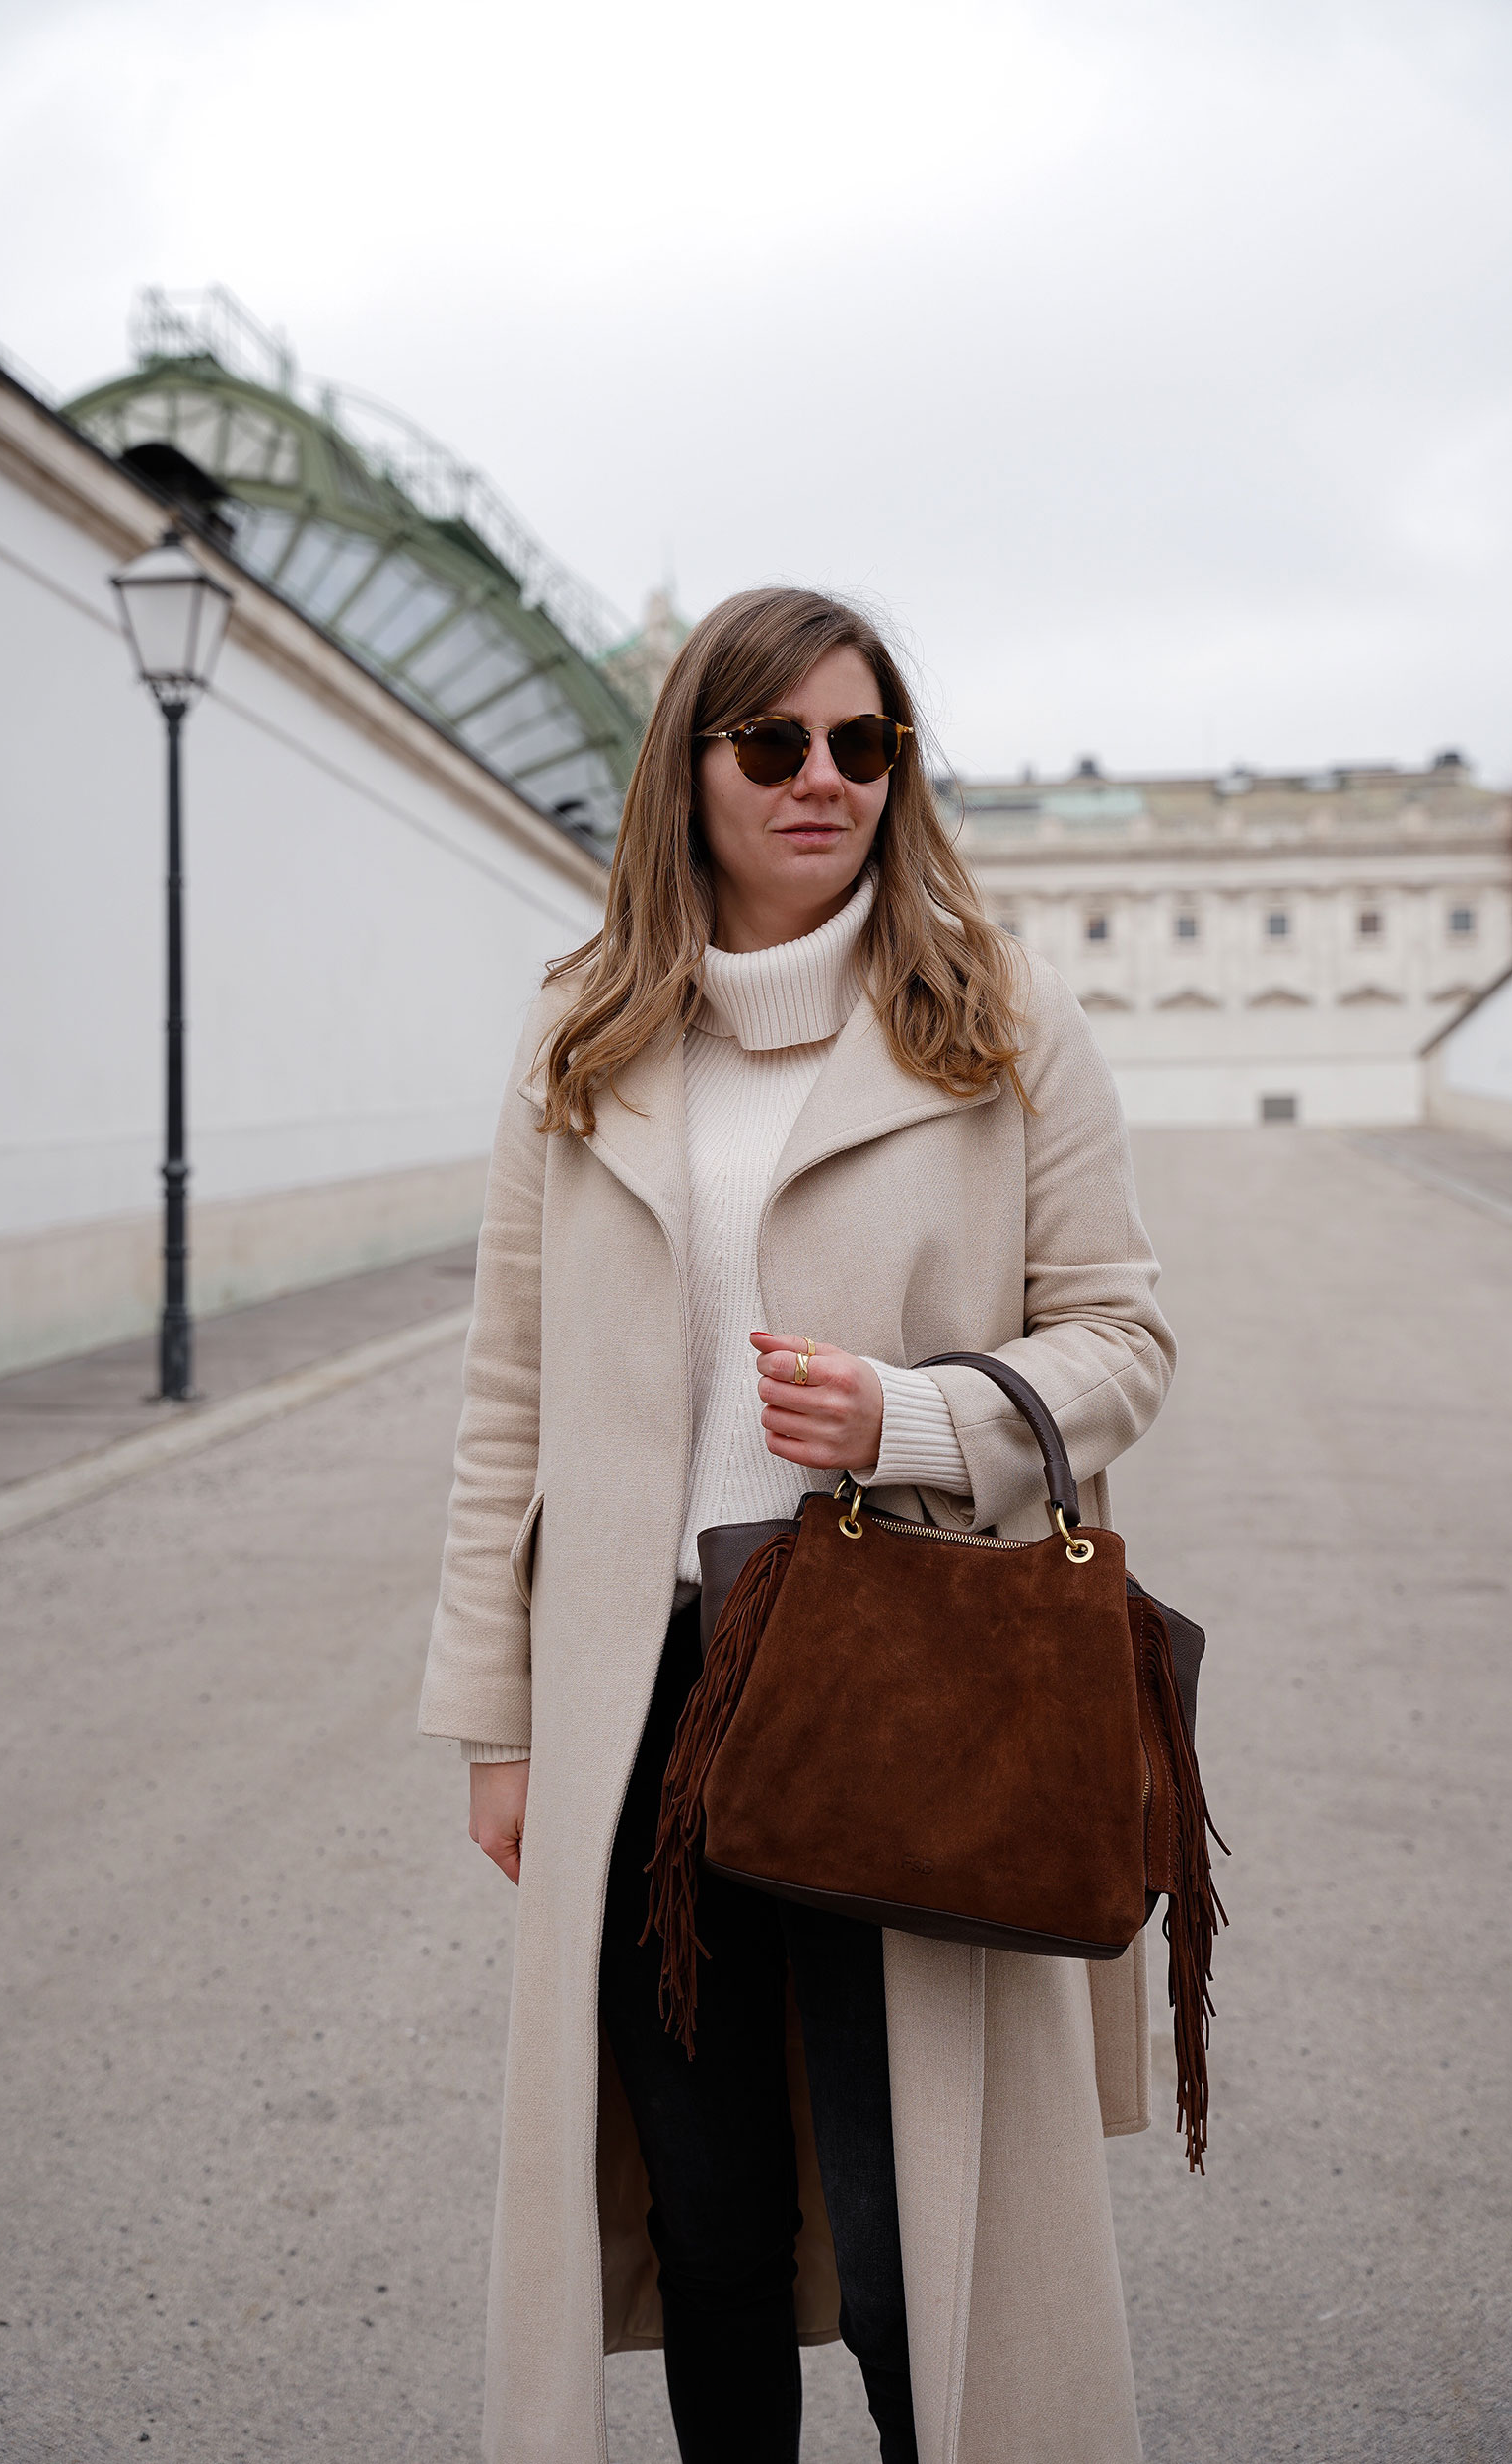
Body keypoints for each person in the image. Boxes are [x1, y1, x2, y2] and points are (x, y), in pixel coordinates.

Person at [419, 586, 1174, 2464]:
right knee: (713, 2216)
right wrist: (498, 1721)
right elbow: (503, 1395)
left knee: (925, 2221)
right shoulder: (582, 1032)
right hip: (644, 1698)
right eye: (775, 744)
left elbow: (1125, 1334)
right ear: (691, 768)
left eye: (863, 744)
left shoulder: (996, 1020)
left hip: (896, 1676)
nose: (822, 779)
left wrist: (909, 1414)